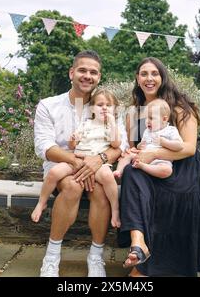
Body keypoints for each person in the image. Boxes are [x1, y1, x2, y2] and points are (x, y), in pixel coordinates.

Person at [118, 57, 200, 277]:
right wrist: (133, 155)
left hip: (184, 170)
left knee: (171, 197)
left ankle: (143, 267)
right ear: (137, 78)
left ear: (163, 78)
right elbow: (136, 149)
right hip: (152, 167)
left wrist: (154, 153)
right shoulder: (134, 114)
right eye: (144, 74)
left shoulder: (179, 108)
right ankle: (138, 243)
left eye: (154, 73)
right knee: (131, 171)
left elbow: (189, 148)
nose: (149, 78)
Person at [34, 50, 128, 277]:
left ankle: (96, 257)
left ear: (99, 77)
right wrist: (79, 162)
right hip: (63, 166)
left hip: (98, 164)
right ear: (72, 73)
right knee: (73, 186)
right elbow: (44, 147)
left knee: (100, 191)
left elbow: (120, 145)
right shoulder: (49, 105)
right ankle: (52, 256)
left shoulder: (105, 105)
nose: (88, 76)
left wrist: (99, 160)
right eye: (83, 70)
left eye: (93, 72)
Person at [32, 88, 122, 228]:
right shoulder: (86, 124)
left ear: (114, 109)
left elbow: (116, 144)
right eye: (100, 105)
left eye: (108, 106)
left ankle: (115, 210)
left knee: (108, 177)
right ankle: (41, 202)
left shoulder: (110, 127)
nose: (104, 108)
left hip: (97, 163)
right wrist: (73, 139)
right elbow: (72, 145)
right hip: (76, 160)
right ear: (92, 108)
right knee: (54, 172)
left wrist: (111, 123)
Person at [114, 98, 183, 179]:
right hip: (143, 155)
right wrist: (139, 146)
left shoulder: (170, 130)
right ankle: (118, 172)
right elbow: (141, 145)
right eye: (146, 118)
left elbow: (179, 146)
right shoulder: (147, 131)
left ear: (164, 119)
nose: (147, 121)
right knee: (127, 155)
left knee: (167, 170)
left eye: (151, 118)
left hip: (160, 160)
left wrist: (164, 143)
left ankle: (143, 167)